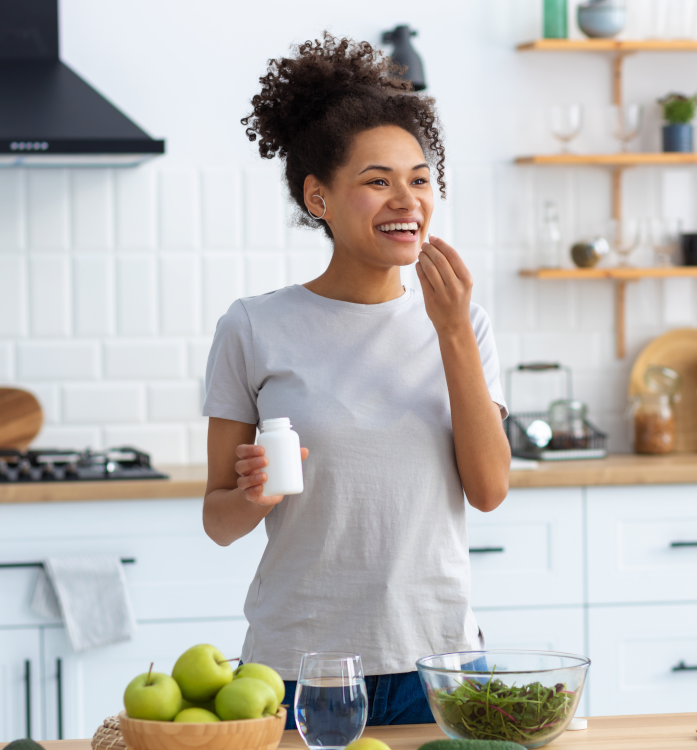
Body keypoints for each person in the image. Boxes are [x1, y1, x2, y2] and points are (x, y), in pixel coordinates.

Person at [202, 33, 511, 729]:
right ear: (320, 197)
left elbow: (490, 490)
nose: (407, 199)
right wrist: (254, 495)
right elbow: (218, 521)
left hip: (441, 662)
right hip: (298, 668)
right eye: (378, 180)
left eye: (420, 178)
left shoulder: (465, 323)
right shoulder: (253, 328)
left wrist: (453, 330)